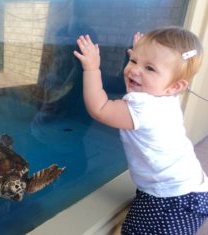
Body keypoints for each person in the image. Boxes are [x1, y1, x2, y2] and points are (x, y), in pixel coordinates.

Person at [73, 26, 208, 234]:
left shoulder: (144, 108)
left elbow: (100, 109)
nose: (134, 70)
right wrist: (145, 58)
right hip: (192, 188)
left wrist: (92, 68)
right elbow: (155, 73)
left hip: (169, 201)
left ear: (174, 86)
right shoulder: (167, 96)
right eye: (134, 61)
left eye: (150, 68)